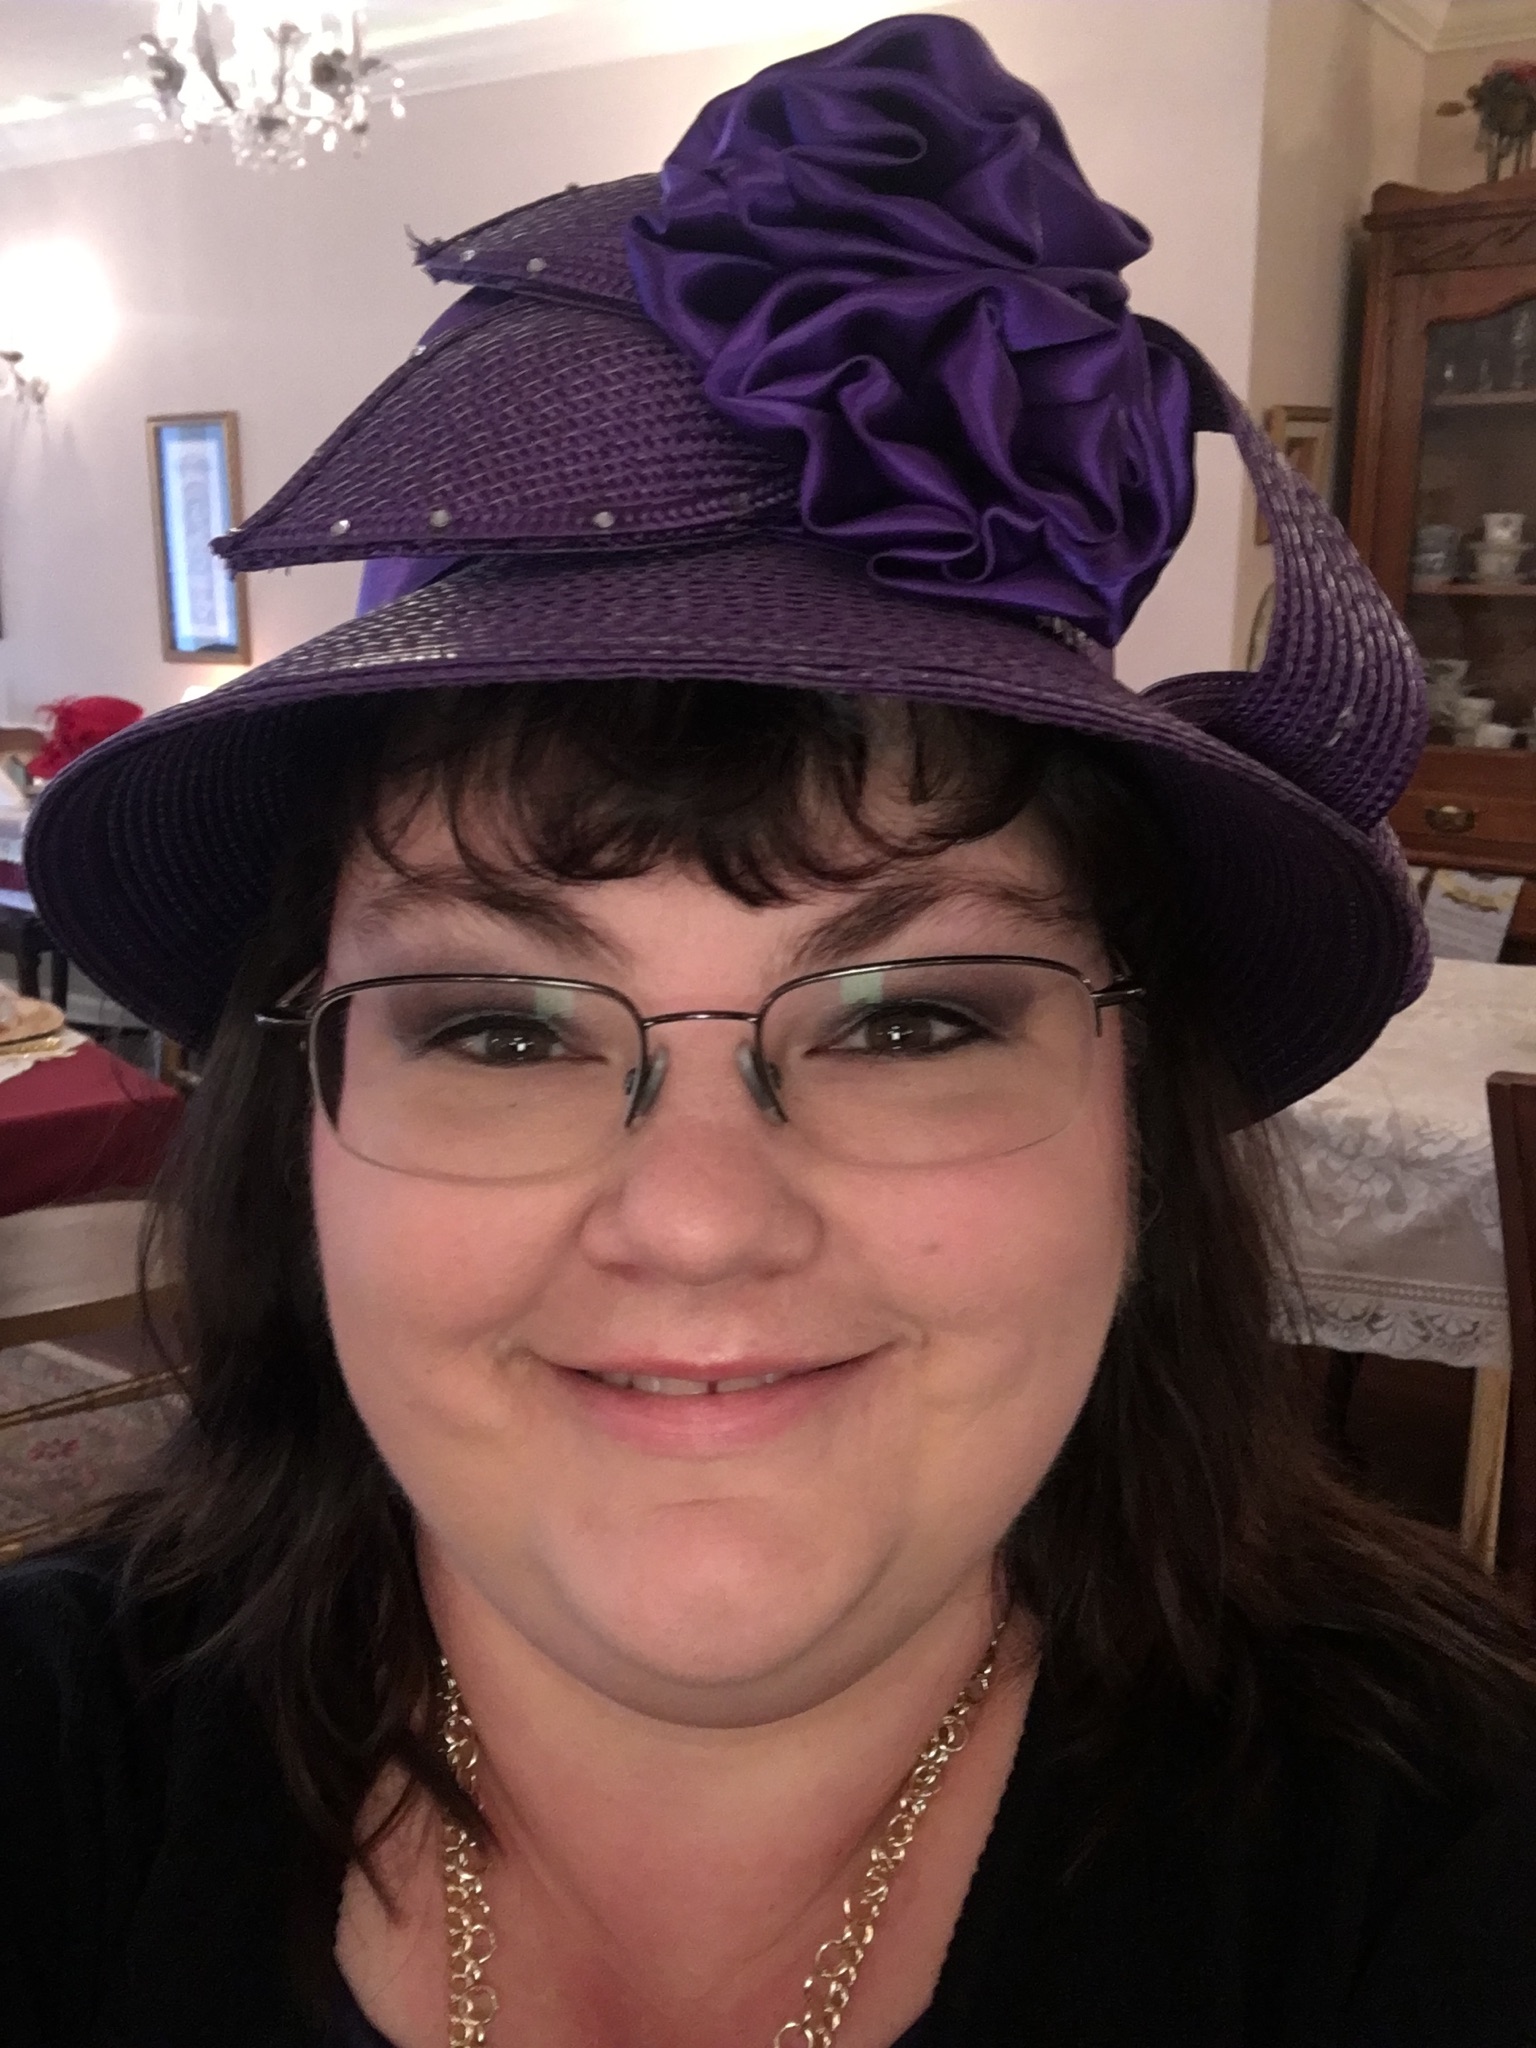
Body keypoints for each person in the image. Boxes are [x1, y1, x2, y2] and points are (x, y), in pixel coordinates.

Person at [6, 17, 1536, 2048]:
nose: (699, 1222)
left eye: (910, 1021)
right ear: (302, 1115)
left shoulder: (1451, 1864)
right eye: (500, 1029)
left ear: (1139, 1127)